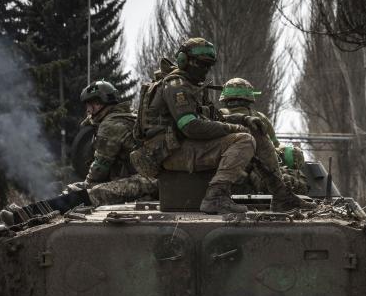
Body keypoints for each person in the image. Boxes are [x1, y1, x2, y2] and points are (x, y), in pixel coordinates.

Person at [131, 37, 312, 214]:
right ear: (184, 60)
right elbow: (191, 127)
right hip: (169, 153)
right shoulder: (176, 86)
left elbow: (213, 118)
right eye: (202, 64)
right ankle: (216, 196)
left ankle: (281, 195)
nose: (206, 69)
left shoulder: (192, 86)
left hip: (183, 146)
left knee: (255, 130)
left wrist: (243, 119)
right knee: (243, 140)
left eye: (209, 65)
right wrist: (234, 128)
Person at [0, 81, 157, 226]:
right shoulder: (123, 117)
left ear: (103, 102)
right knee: (75, 189)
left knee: (92, 193)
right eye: (88, 105)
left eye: (92, 105)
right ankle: (27, 214)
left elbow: (99, 169)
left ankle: (25, 217)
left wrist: (85, 188)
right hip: (137, 178)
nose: (88, 110)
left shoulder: (111, 124)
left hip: (146, 181)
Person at [218, 78, 309, 195]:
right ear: (249, 98)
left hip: (226, 170)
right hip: (260, 171)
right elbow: (274, 147)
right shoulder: (259, 118)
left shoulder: (218, 115)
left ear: (225, 98)